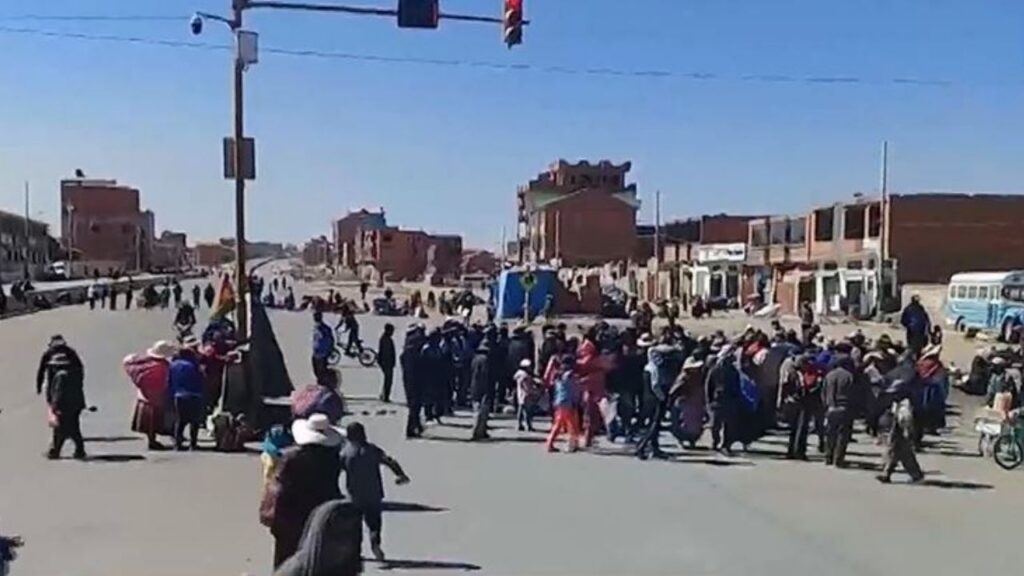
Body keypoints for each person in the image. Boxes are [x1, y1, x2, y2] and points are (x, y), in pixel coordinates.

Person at [262, 415, 345, 568]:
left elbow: (281, 487)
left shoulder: (292, 458)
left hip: (290, 516)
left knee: (285, 560)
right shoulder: (332, 459)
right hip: (321, 515)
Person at [339, 422, 410, 562]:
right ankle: (375, 542)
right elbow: (389, 461)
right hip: (373, 493)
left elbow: (335, 470)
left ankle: (355, 551)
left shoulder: (345, 452)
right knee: (374, 523)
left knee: (355, 524)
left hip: (354, 495)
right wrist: (400, 475)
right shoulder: (372, 450)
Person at [273, 500, 364, 576]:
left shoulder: (344, 567)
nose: (345, 546)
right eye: (336, 537)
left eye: (350, 537)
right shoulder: (294, 572)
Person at [124, 341, 177, 450]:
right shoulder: (163, 367)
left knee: (149, 422)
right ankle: (156, 441)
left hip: (144, 396)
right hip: (158, 397)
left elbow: (128, 361)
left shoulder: (144, 364)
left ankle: (151, 440)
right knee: (156, 420)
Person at [40, 348, 87, 460]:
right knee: (74, 428)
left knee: (59, 430)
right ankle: (79, 450)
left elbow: (58, 393)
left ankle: (55, 452)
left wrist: (54, 407)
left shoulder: (60, 376)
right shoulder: (74, 373)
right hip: (76, 405)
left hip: (64, 406)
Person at [169, 337, 205, 451]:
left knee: (180, 421)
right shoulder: (194, 365)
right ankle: (193, 444)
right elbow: (201, 379)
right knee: (194, 422)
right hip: (194, 395)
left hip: (179, 396)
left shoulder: (173, 365)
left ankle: (177, 444)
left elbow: (169, 381)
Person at [822, 349, 857, 467]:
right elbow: (853, 394)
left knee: (830, 434)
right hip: (845, 407)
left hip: (831, 407)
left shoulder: (829, 375)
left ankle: (828, 456)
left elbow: (824, 392)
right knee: (843, 435)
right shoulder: (849, 376)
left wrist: (826, 405)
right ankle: (838, 459)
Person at [706, 345, 741, 456]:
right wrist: (708, 400)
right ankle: (715, 442)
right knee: (715, 424)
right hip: (717, 401)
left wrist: (736, 399)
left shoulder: (734, 371)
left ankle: (726, 445)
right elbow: (708, 385)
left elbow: (737, 386)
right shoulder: (715, 369)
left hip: (730, 400)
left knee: (729, 425)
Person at [546, 354, 582, 453]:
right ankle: (570, 444)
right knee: (569, 424)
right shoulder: (568, 375)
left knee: (564, 423)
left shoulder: (559, 374)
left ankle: (552, 443)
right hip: (567, 402)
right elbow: (574, 384)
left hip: (561, 401)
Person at [401, 326, 425, 438]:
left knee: (415, 406)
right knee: (414, 406)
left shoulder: (406, 353)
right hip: (414, 382)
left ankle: (417, 425)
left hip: (410, 382)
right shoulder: (413, 355)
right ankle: (410, 429)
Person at [470, 339, 493, 441]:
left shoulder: (475, 359)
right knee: (482, 411)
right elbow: (485, 374)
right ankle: (478, 431)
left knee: (477, 408)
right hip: (482, 386)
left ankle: (480, 431)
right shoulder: (485, 360)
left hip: (474, 385)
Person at [514, 359, 541, 431]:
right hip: (526, 395)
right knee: (527, 412)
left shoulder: (518, 374)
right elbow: (527, 387)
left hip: (520, 395)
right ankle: (528, 425)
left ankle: (519, 424)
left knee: (521, 410)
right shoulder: (525, 376)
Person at [312, 311, 335, 384]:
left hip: (322, 353)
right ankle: (321, 383)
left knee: (321, 371)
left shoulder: (324, 328)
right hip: (316, 352)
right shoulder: (316, 327)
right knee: (317, 371)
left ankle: (324, 385)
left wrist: (329, 350)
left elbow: (329, 340)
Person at [377, 323, 396, 403]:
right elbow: (385, 352)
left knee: (387, 380)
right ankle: (386, 396)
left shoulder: (385, 339)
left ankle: (384, 395)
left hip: (387, 362)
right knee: (388, 380)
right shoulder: (386, 339)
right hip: (386, 362)